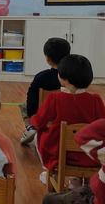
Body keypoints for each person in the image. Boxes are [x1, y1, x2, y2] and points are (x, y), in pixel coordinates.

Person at [30, 54, 105, 182]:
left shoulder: (55, 98)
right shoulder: (96, 100)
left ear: (63, 78)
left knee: (38, 134)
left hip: (60, 155)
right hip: (89, 155)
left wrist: (33, 121)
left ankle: (50, 172)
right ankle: (78, 180)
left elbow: (39, 121)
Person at [43, 119, 105, 204]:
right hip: (95, 194)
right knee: (80, 192)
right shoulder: (95, 101)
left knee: (50, 202)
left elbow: (83, 136)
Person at [20, 37, 71, 146]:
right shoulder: (72, 77)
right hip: (66, 116)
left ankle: (31, 127)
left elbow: (32, 98)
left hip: (43, 115)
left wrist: (32, 115)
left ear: (48, 59)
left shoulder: (41, 77)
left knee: (23, 106)